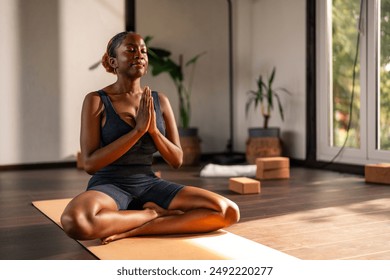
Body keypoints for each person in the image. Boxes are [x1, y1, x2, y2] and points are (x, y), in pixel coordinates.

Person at [60, 31, 240, 244]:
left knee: (228, 211)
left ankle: (138, 228)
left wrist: (153, 131)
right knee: (75, 220)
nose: (140, 55)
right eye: (131, 50)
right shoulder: (96, 100)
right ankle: (151, 214)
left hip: (149, 184)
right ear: (113, 61)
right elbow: (90, 164)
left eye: (143, 50)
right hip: (109, 185)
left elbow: (176, 160)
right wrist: (137, 131)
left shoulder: (160, 101)